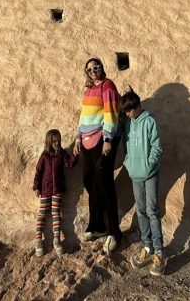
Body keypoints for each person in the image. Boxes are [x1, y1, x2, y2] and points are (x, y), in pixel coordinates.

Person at [73, 57, 122, 253]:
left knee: (105, 181)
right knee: (90, 181)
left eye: (96, 67)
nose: (93, 71)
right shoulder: (89, 89)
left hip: (103, 137)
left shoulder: (108, 86)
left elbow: (111, 113)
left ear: (102, 68)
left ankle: (114, 231)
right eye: (89, 69)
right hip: (86, 140)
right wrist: (78, 138)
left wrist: (108, 139)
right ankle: (96, 226)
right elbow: (83, 117)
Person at [121, 89, 165, 276]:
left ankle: (159, 252)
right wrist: (129, 164)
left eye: (130, 110)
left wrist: (149, 164)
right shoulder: (128, 124)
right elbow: (126, 146)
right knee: (140, 210)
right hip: (135, 175)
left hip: (150, 174)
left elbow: (156, 145)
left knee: (152, 211)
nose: (128, 114)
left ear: (138, 106)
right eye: (126, 112)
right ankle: (147, 247)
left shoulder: (149, 121)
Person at [32, 129, 78, 256]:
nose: (57, 143)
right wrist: (36, 187)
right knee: (42, 214)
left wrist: (75, 154)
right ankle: (38, 240)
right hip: (45, 189)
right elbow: (38, 172)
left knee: (56, 213)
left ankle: (57, 240)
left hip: (58, 190)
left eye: (59, 140)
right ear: (49, 142)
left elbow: (69, 164)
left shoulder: (62, 153)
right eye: (54, 141)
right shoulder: (44, 156)